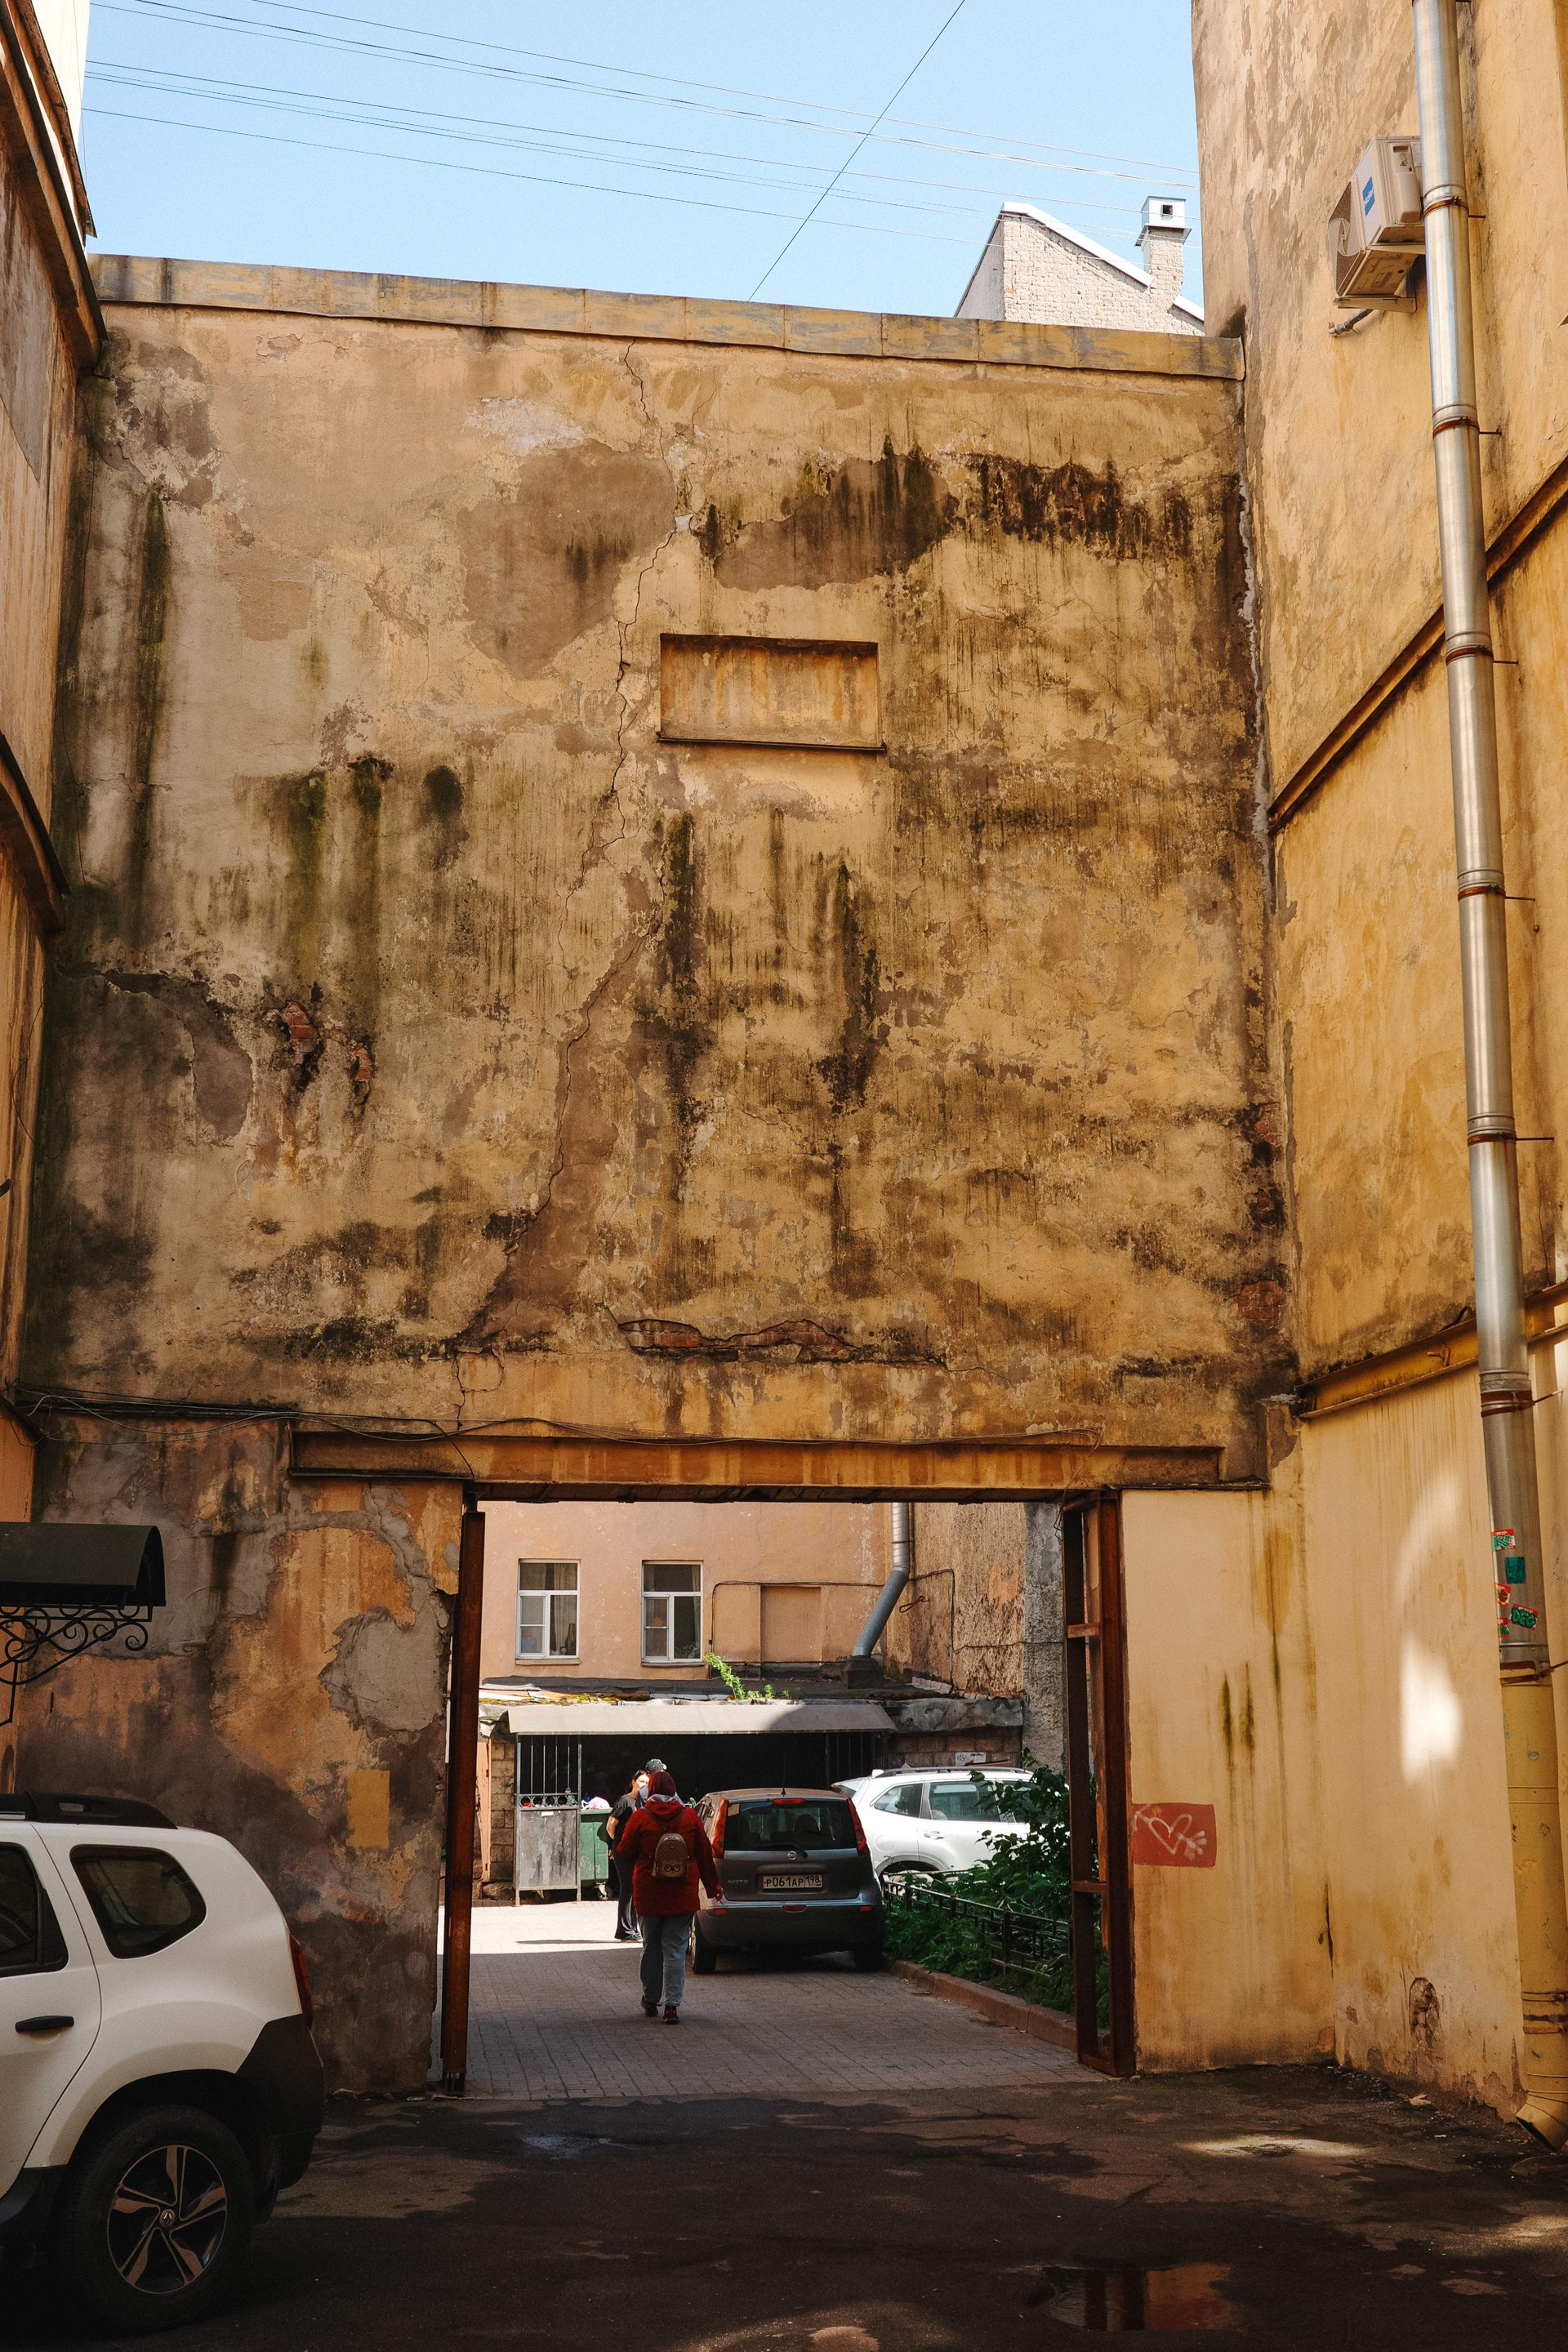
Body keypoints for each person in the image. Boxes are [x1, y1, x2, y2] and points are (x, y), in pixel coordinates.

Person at [614, 1768, 719, 2022]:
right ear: (673, 1790)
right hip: (682, 1894)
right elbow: (705, 1854)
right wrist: (713, 1887)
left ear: (651, 1790)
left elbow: (624, 1852)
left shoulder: (640, 1818)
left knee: (651, 1947)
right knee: (676, 1949)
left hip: (649, 1894)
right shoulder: (690, 1817)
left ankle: (651, 1999)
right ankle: (672, 2006)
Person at [603, 1771, 647, 1941]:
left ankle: (632, 1928)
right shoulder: (624, 1801)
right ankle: (625, 1930)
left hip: (636, 1851)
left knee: (636, 1889)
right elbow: (610, 1825)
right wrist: (619, 1843)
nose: (644, 1785)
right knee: (628, 1888)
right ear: (633, 1782)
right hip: (624, 1852)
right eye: (641, 1781)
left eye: (647, 1782)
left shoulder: (644, 1803)